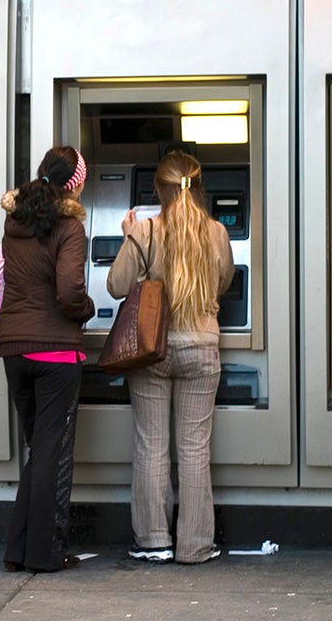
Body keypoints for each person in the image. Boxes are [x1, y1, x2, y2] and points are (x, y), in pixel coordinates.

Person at [107, 150, 234, 566]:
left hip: (152, 349)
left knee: (151, 445)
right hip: (201, 346)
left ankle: (153, 541)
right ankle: (195, 545)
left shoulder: (145, 231)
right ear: (198, 188)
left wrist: (130, 236)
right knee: (195, 449)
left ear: (158, 190)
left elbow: (115, 285)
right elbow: (225, 281)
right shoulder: (216, 233)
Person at [0, 145, 95, 573]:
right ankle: (46, 554)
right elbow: (69, 291)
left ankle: (18, 550)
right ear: (76, 183)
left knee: (39, 450)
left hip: (15, 348)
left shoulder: (12, 222)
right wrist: (87, 309)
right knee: (53, 455)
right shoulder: (70, 227)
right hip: (55, 351)